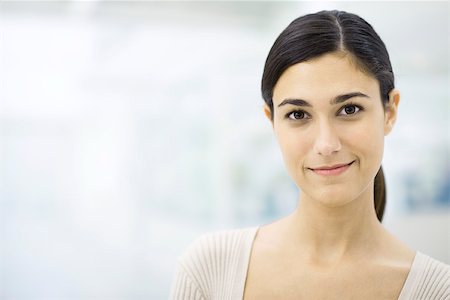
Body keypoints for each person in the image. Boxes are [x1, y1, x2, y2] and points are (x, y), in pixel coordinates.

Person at [170, 10, 450, 300]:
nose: (326, 144)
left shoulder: (438, 291)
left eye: (349, 109)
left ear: (389, 112)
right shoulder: (210, 269)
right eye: (298, 114)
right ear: (272, 121)